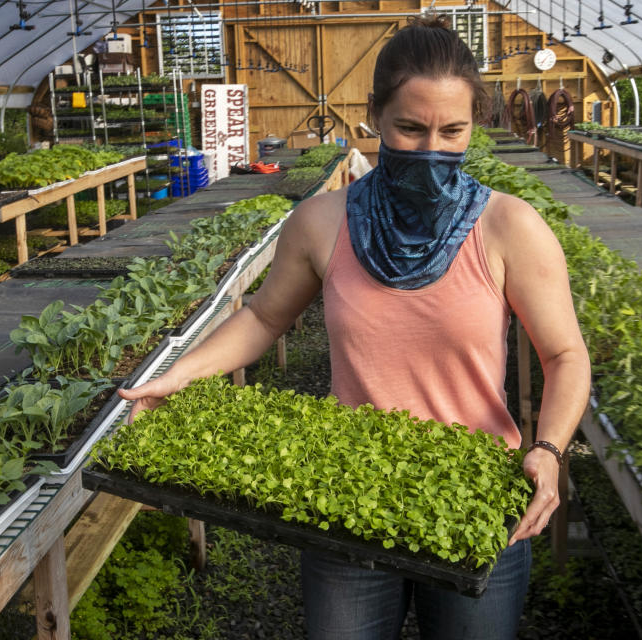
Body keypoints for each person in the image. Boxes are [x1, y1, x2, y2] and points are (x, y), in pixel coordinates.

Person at [119, 14, 591, 639]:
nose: (431, 150)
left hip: (481, 498)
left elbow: (564, 354)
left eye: (453, 131)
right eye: (410, 128)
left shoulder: (509, 227)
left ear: (476, 124)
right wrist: (175, 376)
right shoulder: (320, 223)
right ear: (375, 116)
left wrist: (551, 448)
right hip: (349, 501)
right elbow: (263, 317)